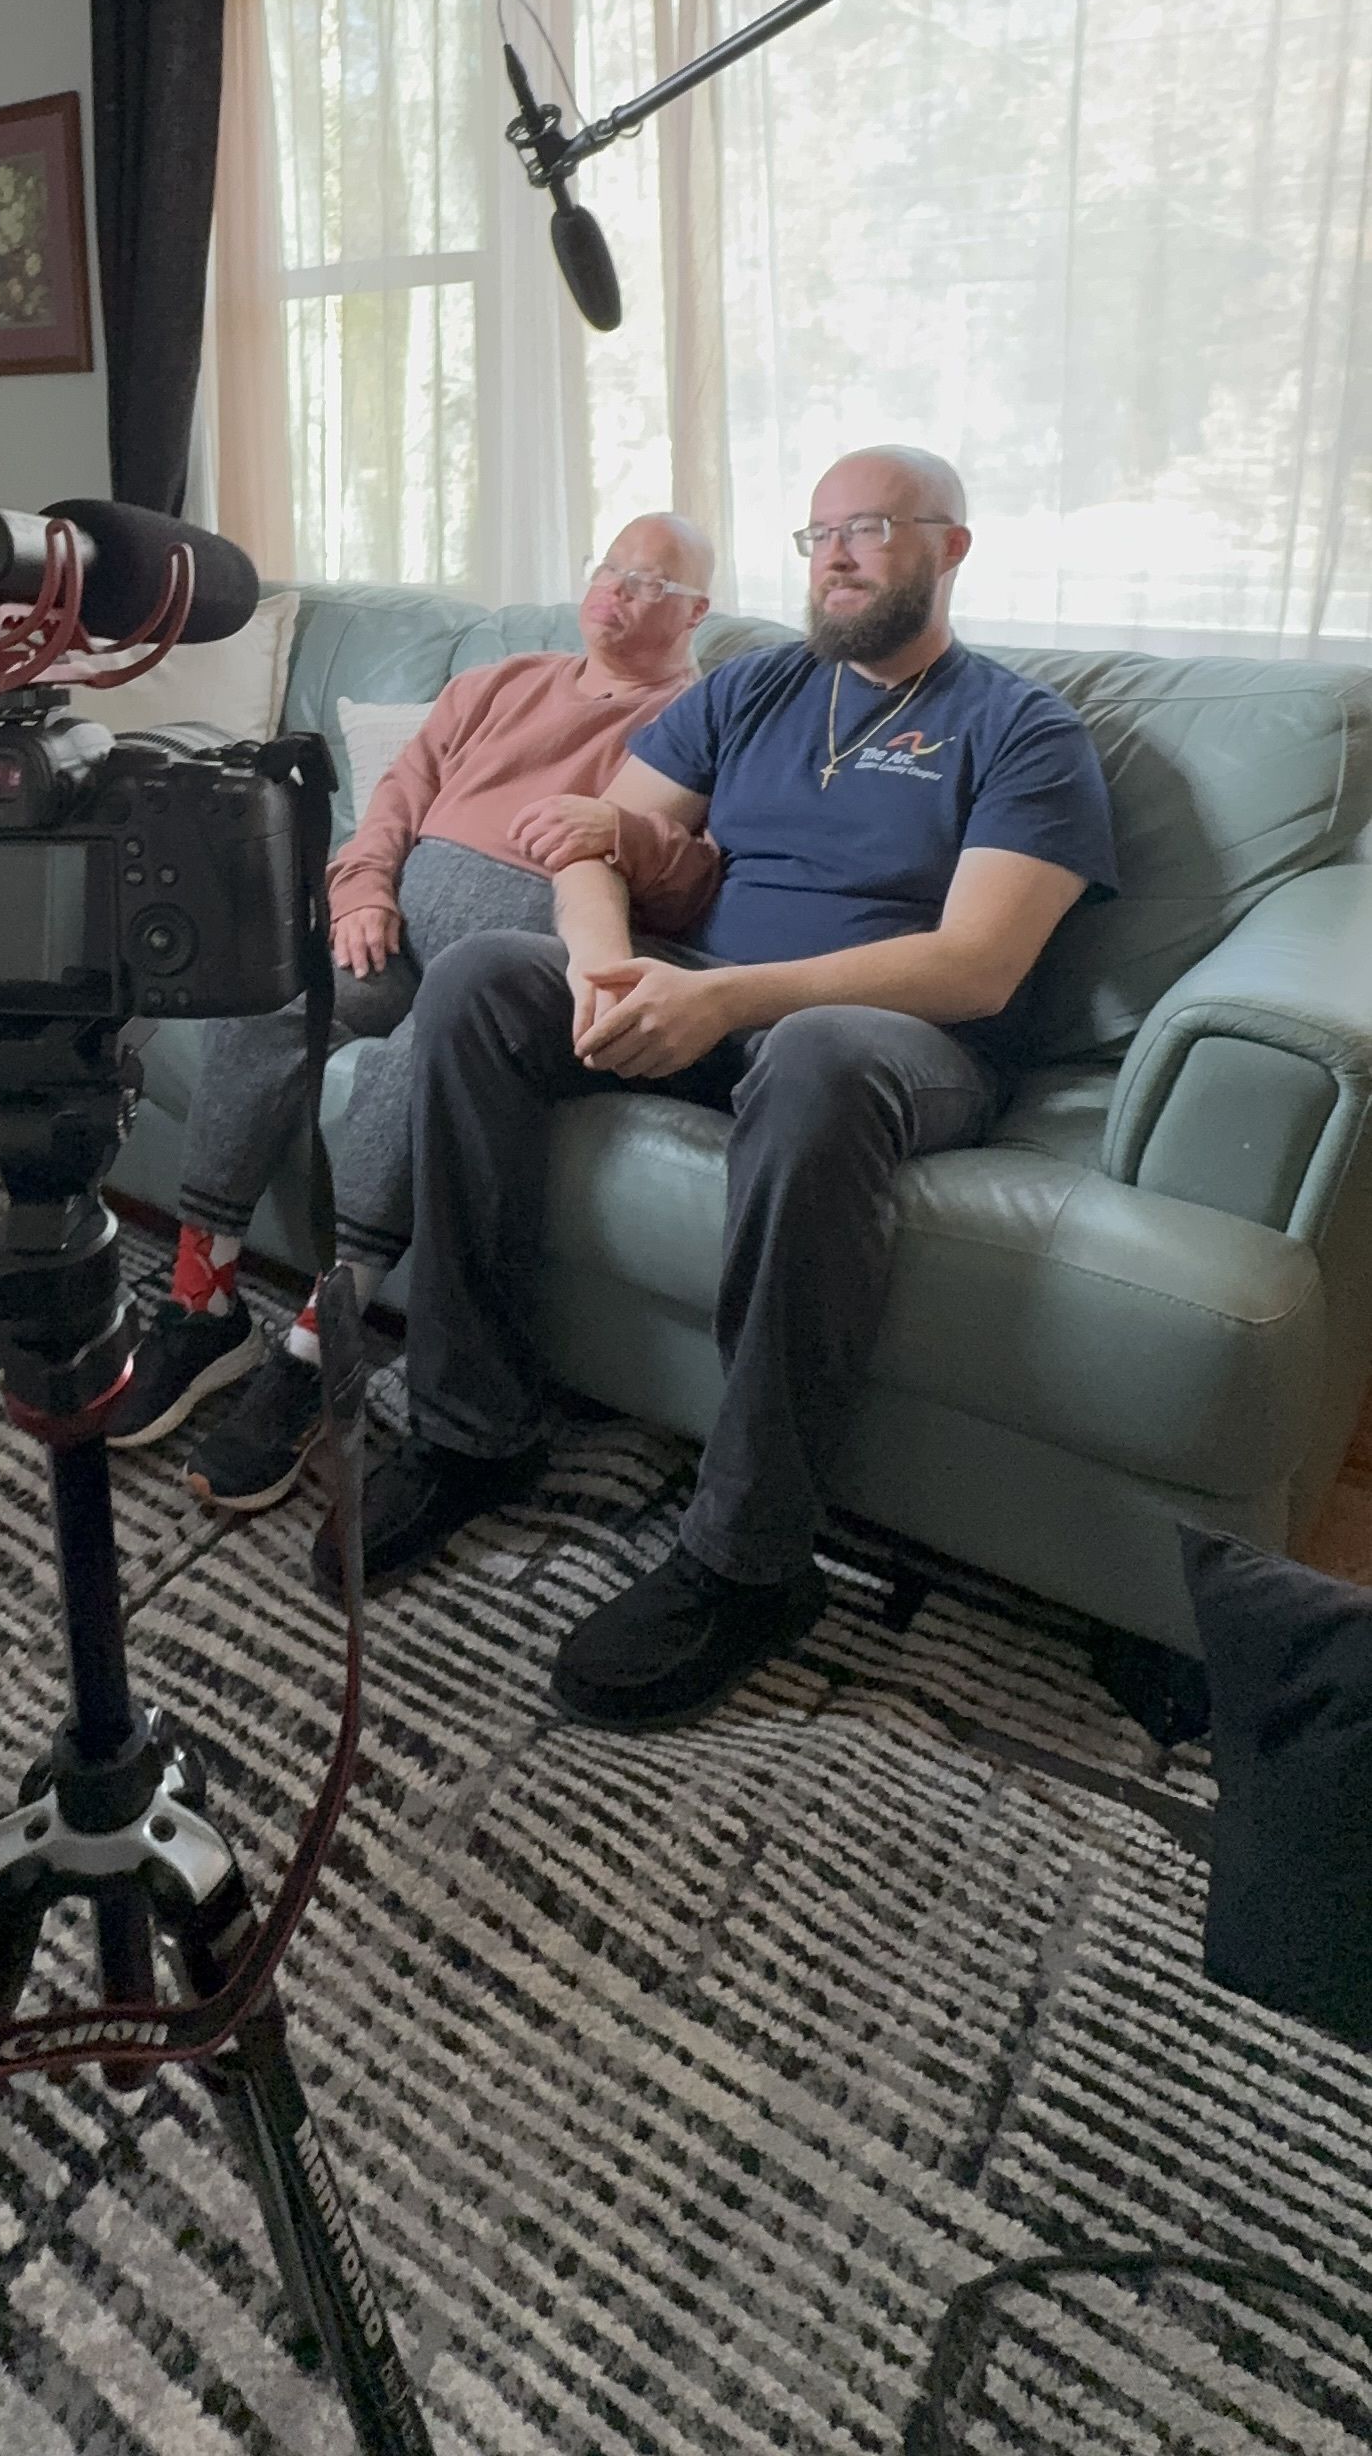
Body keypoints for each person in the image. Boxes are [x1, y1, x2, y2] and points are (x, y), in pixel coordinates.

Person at [313, 446, 1119, 1728]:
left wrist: (731, 998)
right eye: (817, 533)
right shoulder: (756, 688)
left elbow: (977, 965)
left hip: (897, 1038)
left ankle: (751, 1557)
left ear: (950, 547)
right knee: (479, 979)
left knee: (816, 1051)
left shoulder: (1021, 727)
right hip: (704, 992)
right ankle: (471, 1428)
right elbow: (590, 840)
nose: (835, 555)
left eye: (868, 528)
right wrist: (603, 970)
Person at [105, 513, 720, 1509]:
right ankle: (202, 1303)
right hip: (393, 936)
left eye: (650, 583)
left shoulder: (703, 721)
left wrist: (623, 836)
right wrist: (360, 890)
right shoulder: (505, 681)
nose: (616, 592)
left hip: (511, 981)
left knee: (410, 1066)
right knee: (275, 994)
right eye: (609, 568)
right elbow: (399, 793)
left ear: (697, 612)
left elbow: (696, 884)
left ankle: (320, 1352)